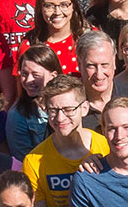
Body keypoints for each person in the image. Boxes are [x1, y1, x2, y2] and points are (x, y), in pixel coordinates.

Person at [23, 75, 110, 207]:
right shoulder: (34, 161)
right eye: (53, 110)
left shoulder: (106, 146)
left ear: (84, 108)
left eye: (68, 110)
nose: (60, 117)